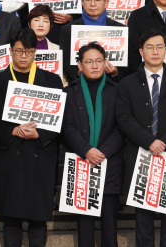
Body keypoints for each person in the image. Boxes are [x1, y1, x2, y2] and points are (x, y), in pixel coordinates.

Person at [0, 28, 62, 247]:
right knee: (11, 220)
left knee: (39, 221)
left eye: (28, 51)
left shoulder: (52, 81)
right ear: (11, 51)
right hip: (10, 155)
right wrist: (12, 130)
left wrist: (40, 133)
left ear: (35, 52)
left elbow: (60, 121)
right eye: (19, 51)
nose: (23, 56)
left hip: (41, 154)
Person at [116, 29, 166, 247]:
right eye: (149, 47)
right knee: (143, 222)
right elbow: (123, 117)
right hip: (142, 157)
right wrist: (149, 141)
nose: (155, 51)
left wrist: (164, 142)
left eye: (160, 46)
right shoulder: (127, 83)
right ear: (141, 51)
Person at [62, 42, 124, 247]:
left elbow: (122, 125)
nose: (95, 65)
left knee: (110, 229)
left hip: (110, 164)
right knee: (85, 231)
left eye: (99, 61)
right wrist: (86, 150)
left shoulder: (118, 90)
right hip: (81, 164)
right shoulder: (69, 92)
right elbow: (66, 126)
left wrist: (102, 152)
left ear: (106, 63)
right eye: (89, 61)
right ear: (80, 66)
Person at [59, 0, 126, 83]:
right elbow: (65, 62)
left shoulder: (120, 29)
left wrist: (115, 72)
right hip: (80, 86)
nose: (93, 4)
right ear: (82, 2)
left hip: (112, 85)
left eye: (97, 0)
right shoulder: (68, 29)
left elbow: (129, 64)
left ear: (106, 3)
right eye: (88, 0)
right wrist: (79, 72)